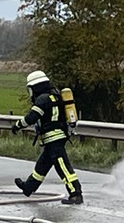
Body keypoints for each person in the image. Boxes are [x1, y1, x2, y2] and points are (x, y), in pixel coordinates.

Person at [10, 70, 83, 205]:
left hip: (54, 138)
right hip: (54, 138)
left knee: (62, 166)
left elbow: (31, 117)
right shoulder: (55, 96)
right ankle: (28, 187)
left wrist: (17, 125)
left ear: (36, 87)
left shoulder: (42, 99)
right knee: (42, 165)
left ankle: (76, 194)